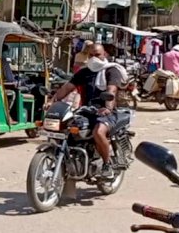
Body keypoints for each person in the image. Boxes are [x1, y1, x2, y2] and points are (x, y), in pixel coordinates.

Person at [51, 44, 127, 179]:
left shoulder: (111, 70)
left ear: (105, 55)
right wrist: (52, 101)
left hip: (106, 112)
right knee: (66, 129)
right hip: (86, 111)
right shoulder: (84, 72)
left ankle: (107, 164)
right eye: (91, 55)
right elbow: (67, 88)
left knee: (98, 132)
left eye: (97, 55)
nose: (93, 58)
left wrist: (108, 107)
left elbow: (112, 90)